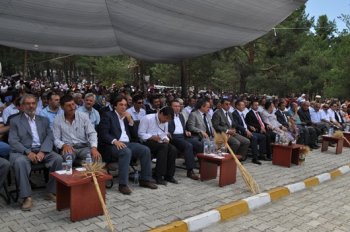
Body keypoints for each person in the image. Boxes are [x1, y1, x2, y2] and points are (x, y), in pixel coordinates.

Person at [9, 94, 63, 211]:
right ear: (22, 106)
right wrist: (28, 152)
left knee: (58, 159)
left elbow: (50, 137)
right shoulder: (15, 121)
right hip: (23, 152)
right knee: (20, 163)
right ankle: (26, 197)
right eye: (28, 104)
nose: (31, 106)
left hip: (42, 150)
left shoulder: (43, 120)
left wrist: (43, 151)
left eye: (33, 103)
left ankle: (51, 191)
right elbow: (13, 141)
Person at [98, 96, 157, 195]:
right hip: (111, 145)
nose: (124, 107)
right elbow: (103, 133)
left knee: (145, 150)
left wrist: (130, 121)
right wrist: (115, 141)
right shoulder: (107, 115)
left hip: (127, 143)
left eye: (125, 105)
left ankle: (145, 179)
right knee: (126, 151)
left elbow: (134, 134)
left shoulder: (127, 116)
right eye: (121, 105)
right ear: (115, 106)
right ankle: (123, 185)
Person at [53, 95, 101, 165]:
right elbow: (55, 138)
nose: (72, 107)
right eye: (68, 105)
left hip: (84, 147)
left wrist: (94, 148)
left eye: (73, 104)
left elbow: (92, 133)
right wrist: (64, 145)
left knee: (96, 158)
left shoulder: (83, 116)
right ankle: (69, 176)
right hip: (69, 148)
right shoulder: (57, 119)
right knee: (67, 160)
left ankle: (93, 176)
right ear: (62, 107)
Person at [138, 106, 177, 185]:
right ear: (161, 113)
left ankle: (169, 175)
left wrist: (166, 138)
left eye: (167, 120)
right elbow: (140, 134)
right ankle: (158, 176)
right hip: (147, 141)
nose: (166, 121)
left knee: (173, 149)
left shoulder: (165, 122)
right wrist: (152, 137)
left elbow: (164, 133)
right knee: (163, 147)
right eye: (165, 118)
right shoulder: (147, 118)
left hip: (159, 141)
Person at [168, 100, 200, 180]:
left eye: (179, 106)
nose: (177, 108)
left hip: (182, 136)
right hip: (173, 138)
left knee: (198, 143)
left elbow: (183, 127)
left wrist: (186, 131)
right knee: (188, 146)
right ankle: (190, 171)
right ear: (170, 107)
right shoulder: (168, 116)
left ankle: (202, 165)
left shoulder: (181, 116)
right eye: (175, 106)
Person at [232, 100, 265, 165]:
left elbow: (244, 123)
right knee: (254, 138)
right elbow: (237, 125)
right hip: (241, 132)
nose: (244, 106)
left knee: (263, 137)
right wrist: (245, 130)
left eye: (244, 105)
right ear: (237, 106)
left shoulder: (242, 113)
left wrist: (250, 126)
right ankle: (255, 158)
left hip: (247, 130)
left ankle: (261, 155)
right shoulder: (234, 114)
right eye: (242, 105)